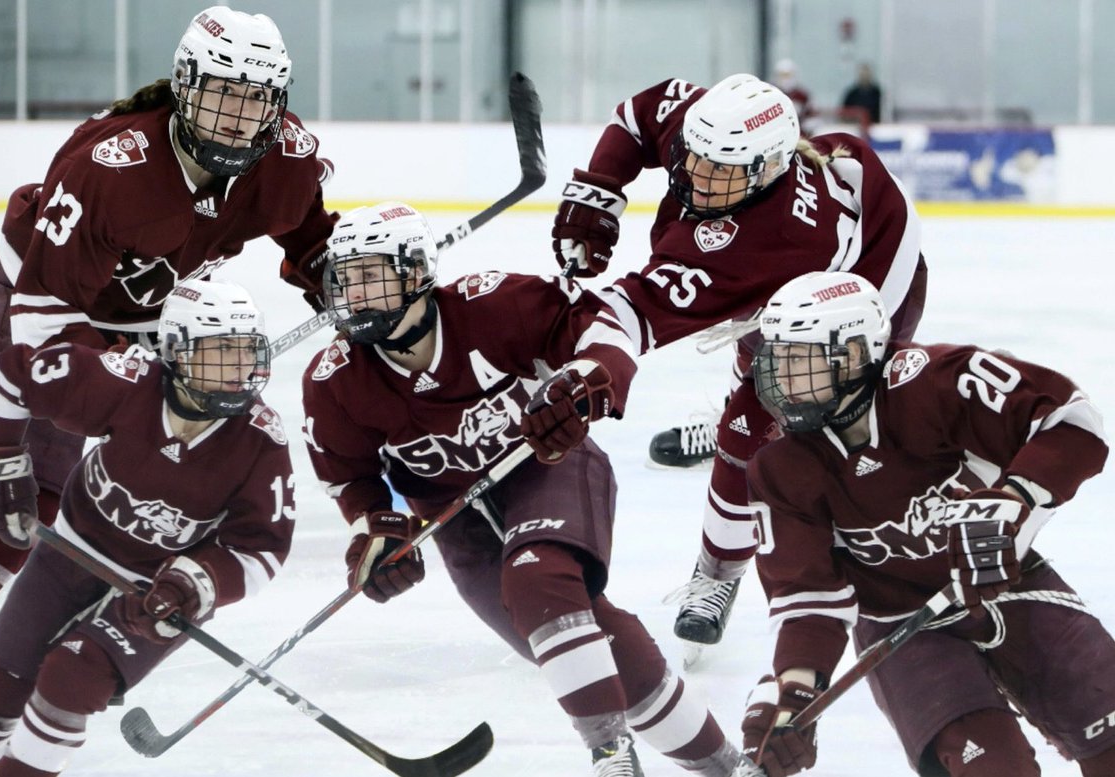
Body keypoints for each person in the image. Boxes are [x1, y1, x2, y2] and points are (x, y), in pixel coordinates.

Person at [0, 5, 334, 657]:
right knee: (6, 516)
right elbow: (40, 323)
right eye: (223, 93)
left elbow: (306, 229)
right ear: (186, 86)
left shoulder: (285, 156)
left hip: (143, 326)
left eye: (256, 100)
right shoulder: (109, 166)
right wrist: (6, 440)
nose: (238, 116)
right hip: (43, 307)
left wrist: (334, 274)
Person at [302, 202, 742, 776]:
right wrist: (378, 535)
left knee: (539, 579)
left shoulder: (494, 305)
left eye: (370, 274)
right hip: (451, 518)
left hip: (545, 462)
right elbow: (350, 476)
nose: (354, 293)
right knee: (576, 634)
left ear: (415, 274)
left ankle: (611, 758)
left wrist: (584, 384)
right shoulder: (334, 380)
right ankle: (728, 768)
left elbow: (599, 326)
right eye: (345, 277)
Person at [549, 72, 927, 665]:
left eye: (718, 173)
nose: (696, 178)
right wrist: (595, 193)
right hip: (819, 261)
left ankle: (718, 570)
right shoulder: (715, 132)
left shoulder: (767, 243)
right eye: (694, 159)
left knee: (754, 433)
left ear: (765, 170)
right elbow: (638, 115)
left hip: (868, 295)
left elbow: (632, 311)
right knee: (756, 367)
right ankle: (737, 419)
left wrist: (586, 358)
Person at [737, 271, 1114, 777]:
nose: (781, 379)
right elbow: (809, 599)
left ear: (853, 355)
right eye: (777, 360)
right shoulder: (782, 468)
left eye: (799, 359)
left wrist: (1014, 498)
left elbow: (1072, 423)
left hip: (1008, 583)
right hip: (902, 628)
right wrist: (794, 694)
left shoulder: (933, 382)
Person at [0, 279, 296, 777]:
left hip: (156, 593)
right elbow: (13, 373)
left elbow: (262, 550)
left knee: (69, 681)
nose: (239, 367)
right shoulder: (124, 382)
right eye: (219, 349)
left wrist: (193, 585)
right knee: (3, 680)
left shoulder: (261, 443)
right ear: (173, 351)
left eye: (246, 348)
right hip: (71, 551)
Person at [772, 59, 815, 133]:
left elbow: (811, 113)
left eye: (788, 75)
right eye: (782, 75)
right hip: (777, 132)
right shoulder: (772, 93)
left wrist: (809, 123)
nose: (785, 78)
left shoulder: (802, 95)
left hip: (799, 132)